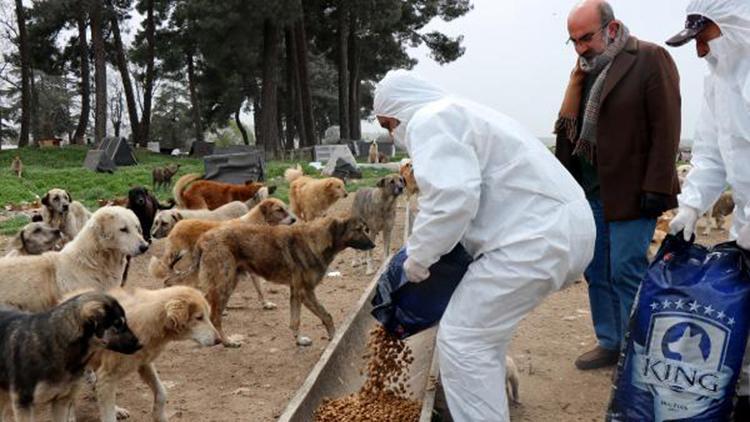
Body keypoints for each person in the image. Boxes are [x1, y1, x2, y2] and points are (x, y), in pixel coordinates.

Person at [373, 69, 596, 422]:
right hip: (560, 230)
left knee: (464, 341)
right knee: (483, 340)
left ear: (400, 109)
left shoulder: (429, 119)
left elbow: (452, 199)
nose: (391, 133)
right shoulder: (462, 112)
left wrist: (417, 258)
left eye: (388, 124)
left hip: (533, 239)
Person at [555, 0, 681, 370]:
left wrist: (656, 187)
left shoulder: (649, 58)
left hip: (632, 190)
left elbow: (667, 128)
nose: (580, 48)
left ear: (612, 29)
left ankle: (641, 350)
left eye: (586, 38)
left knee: (626, 268)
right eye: (573, 41)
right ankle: (611, 342)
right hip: (591, 191)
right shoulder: (582, 73)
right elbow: (570, 130)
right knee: (596, 269)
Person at [665, 1, 750, 418]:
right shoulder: (717, 80)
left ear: (736, 25)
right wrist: (691, 207)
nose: (699, 51)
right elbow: (712, 154)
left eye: (703, 37)